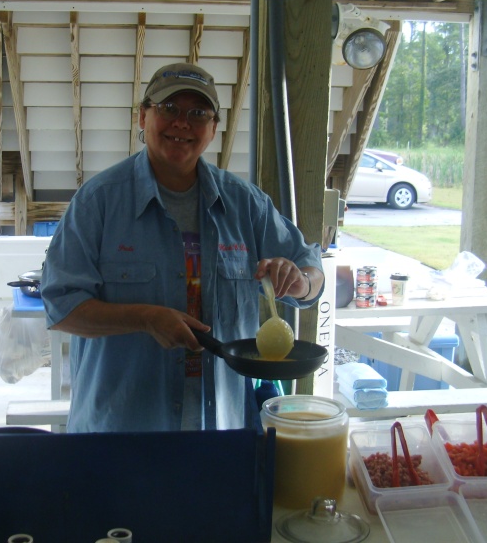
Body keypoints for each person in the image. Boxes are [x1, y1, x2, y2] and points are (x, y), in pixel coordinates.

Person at [40, 62, 324, 433]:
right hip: (122, 432)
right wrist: (144, 318)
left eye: (198, 113)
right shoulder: (99, 202)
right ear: (142, 117)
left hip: (221, 429)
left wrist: (300, 280)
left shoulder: (245, 204)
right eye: (169, 109)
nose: (182, 122)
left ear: (213, 129)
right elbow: (61, 307)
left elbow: (312, 272)